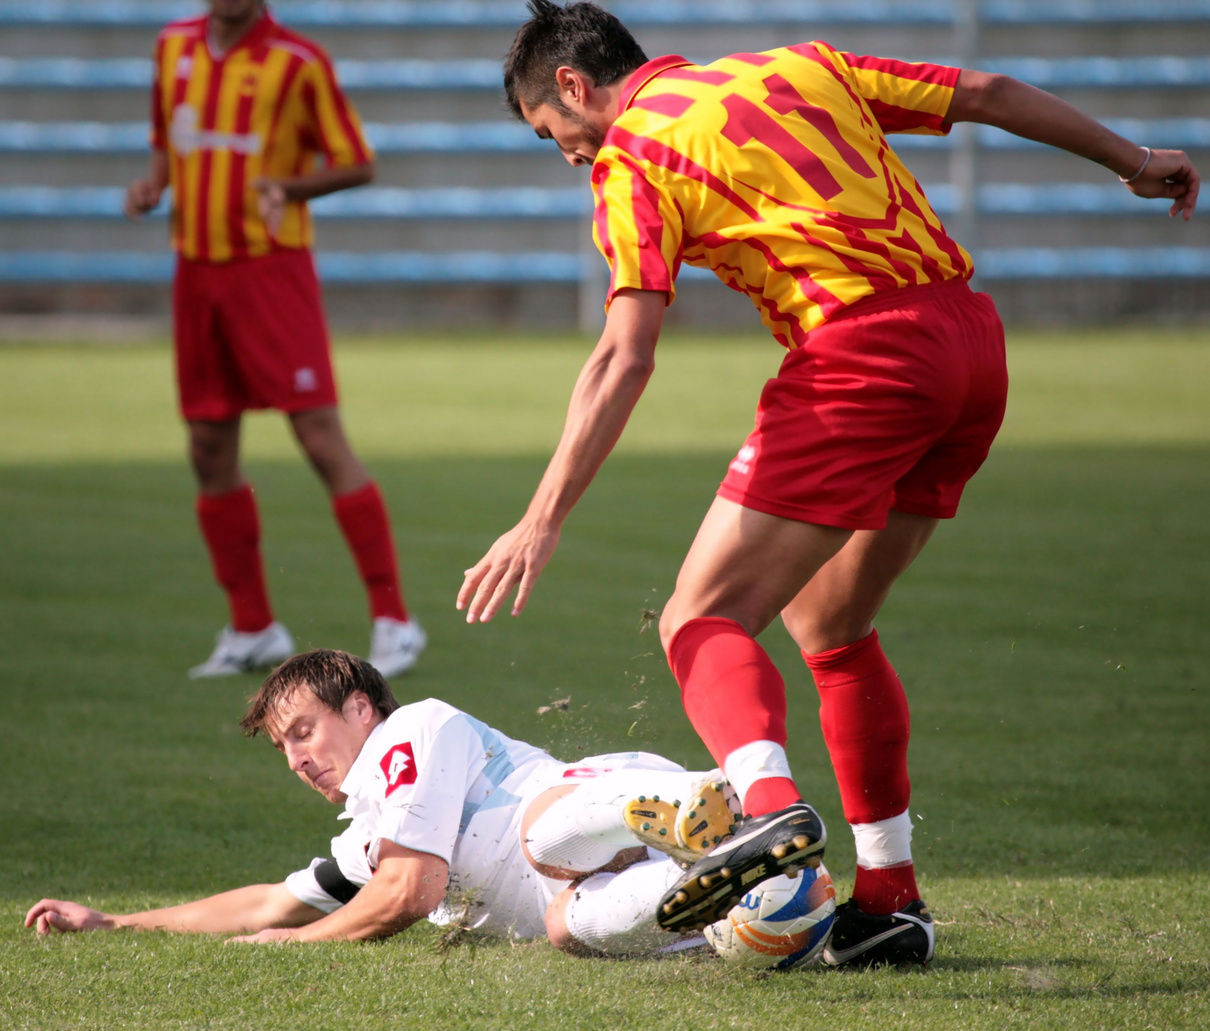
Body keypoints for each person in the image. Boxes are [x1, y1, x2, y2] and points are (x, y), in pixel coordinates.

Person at [456, 1, 1200, 964]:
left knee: (698, 619)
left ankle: (769, 811)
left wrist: (541, 515)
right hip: (972, 343)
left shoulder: (635, 151)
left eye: (557, 138)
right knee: (831, 628)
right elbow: (986, 92)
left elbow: (623, 355)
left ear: (571, 85)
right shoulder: (799, 68)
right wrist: (1135, 162)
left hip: (861, 359)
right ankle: (889, 900)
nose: (571, 158)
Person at [26, 650, 740, 956]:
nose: (298, 758)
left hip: (587, 808)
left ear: (362, 707)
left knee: (542, 841)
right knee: (566, 928)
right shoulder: (367, 838)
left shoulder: (413, 729)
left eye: (304, 731)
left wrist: (298, 946)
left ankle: (686, 803)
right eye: (283, 748)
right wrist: (116, 922)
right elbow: (268, 905)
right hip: (591, 886)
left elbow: (409, 892)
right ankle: (753, 901)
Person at [125, 0, 425, 679]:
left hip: (271, 270)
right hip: (195, 270)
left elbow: (357, 162)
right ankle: (251, 626)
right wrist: (154, 184)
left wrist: (288, 188)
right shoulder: (171, 47)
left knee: (319, 436)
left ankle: (394, 620)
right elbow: (167, 138)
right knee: (208, 445)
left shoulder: (299, 62)